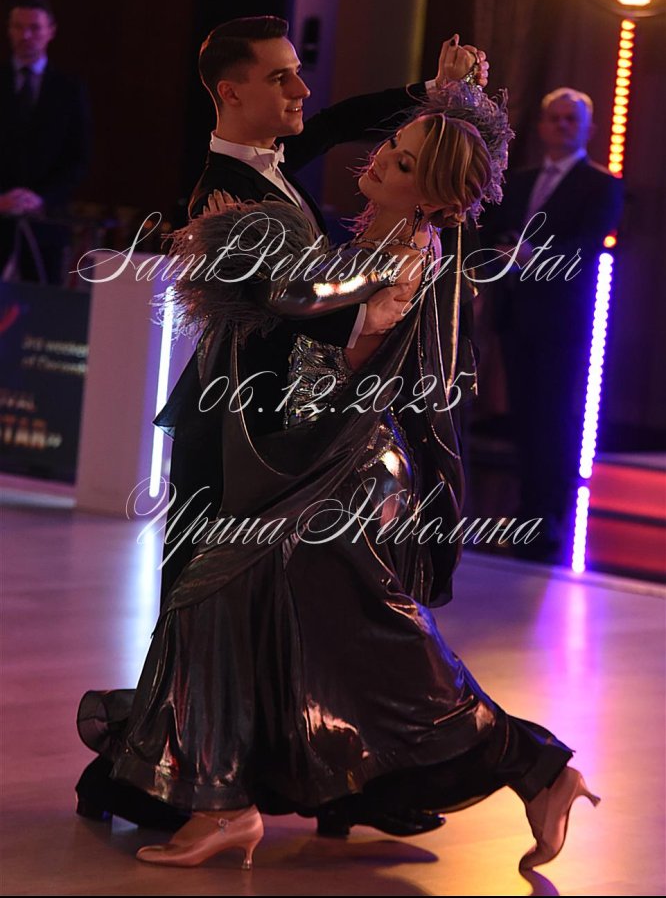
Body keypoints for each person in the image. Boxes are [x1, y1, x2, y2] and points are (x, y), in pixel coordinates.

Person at [83, 79, 599, 874]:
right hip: (312, 460)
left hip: (347, 478)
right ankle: (227, 802)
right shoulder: (373, 239)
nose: (381, 160)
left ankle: (533, 767)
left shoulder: (400, 256)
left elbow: (299, 298)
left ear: (435, 200)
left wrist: (225, 239)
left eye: (403, 163)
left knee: (369, 650)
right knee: (266, 619)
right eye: (392, 147)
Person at [75, 15, 488, 841]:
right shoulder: (218, 196)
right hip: (236, 429)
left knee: (298, 609)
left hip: (293, 430)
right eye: (280, 77)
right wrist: (378, 296)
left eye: (298, 71)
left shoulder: (275, 164)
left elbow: (342, 123)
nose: (301, 89)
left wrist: (435, 94)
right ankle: (165, 774)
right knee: (200, 604)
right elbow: (294, 308)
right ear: (231, 93)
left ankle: (335, 779)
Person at [483, 87, 624, 561]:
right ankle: (526, 514)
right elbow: (495, 232)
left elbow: (585, 247)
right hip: (516, 315)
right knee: (525, 419)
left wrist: (530, 256)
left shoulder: (600, 184)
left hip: (564, 321)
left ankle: (549, 520)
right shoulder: (519, 181)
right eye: (555, 118)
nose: (562, 126)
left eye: (571, 119)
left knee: (557, 420)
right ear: (542, 127)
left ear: (588, 128)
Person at [0, 0, 91, 281]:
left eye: (34, 28)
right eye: (19, 27)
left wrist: (40, 198)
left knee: (40, 301)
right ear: (9, 30)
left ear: (50, 31)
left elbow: (78, 158)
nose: (26, 35)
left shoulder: (69, 89)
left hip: (46, 221)